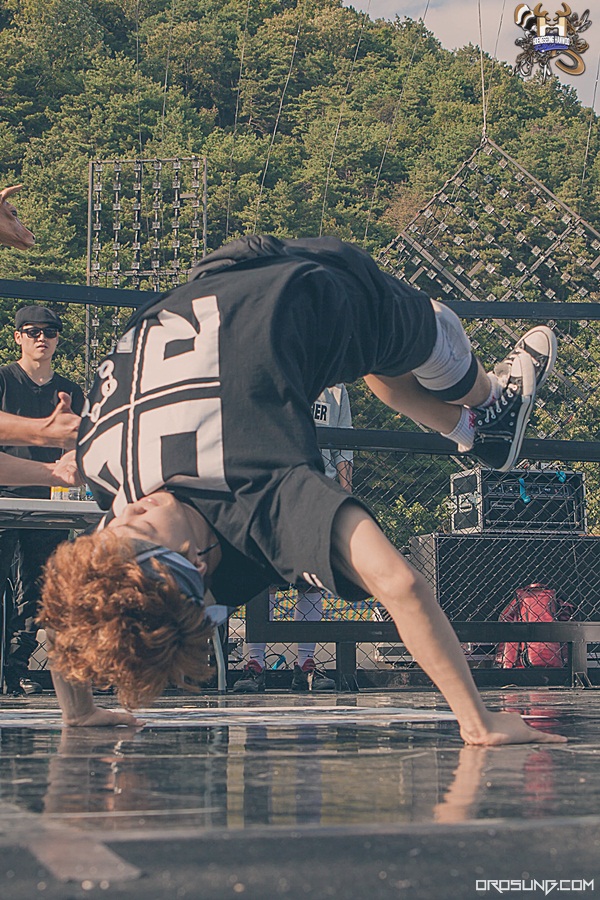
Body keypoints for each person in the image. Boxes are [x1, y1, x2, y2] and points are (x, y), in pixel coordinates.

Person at [40, 235, 564, 746]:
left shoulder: (190, 505)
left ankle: (491, 403)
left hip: (289, 287)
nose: (131, 507)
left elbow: (71, 618)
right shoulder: (248, 496)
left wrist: (79, 713)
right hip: (251, 300)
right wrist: (478, 722)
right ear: (194, 563)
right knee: (381, 355)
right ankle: (475, 425)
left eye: (117, 523)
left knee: (432, 330)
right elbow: (398, 583)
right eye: (144, 525)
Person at [234, 384, 353, 693]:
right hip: (273, 488)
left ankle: (305, 664)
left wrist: (345, 492)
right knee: (264, 579)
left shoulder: (336, 388)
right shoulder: (276, 371)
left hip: (319, 491)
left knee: (312, 580)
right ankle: (255, 664)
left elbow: (344, 446)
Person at [0, 305, 84, 695]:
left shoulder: (70, 390)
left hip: (49, 502)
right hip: (4, 495)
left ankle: (16, 668)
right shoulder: (4, 379)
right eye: (33, 331)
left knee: (39, 590)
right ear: (17, 336)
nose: (42, 338)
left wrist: (72, 460)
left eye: (50, 332)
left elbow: (79, 444)